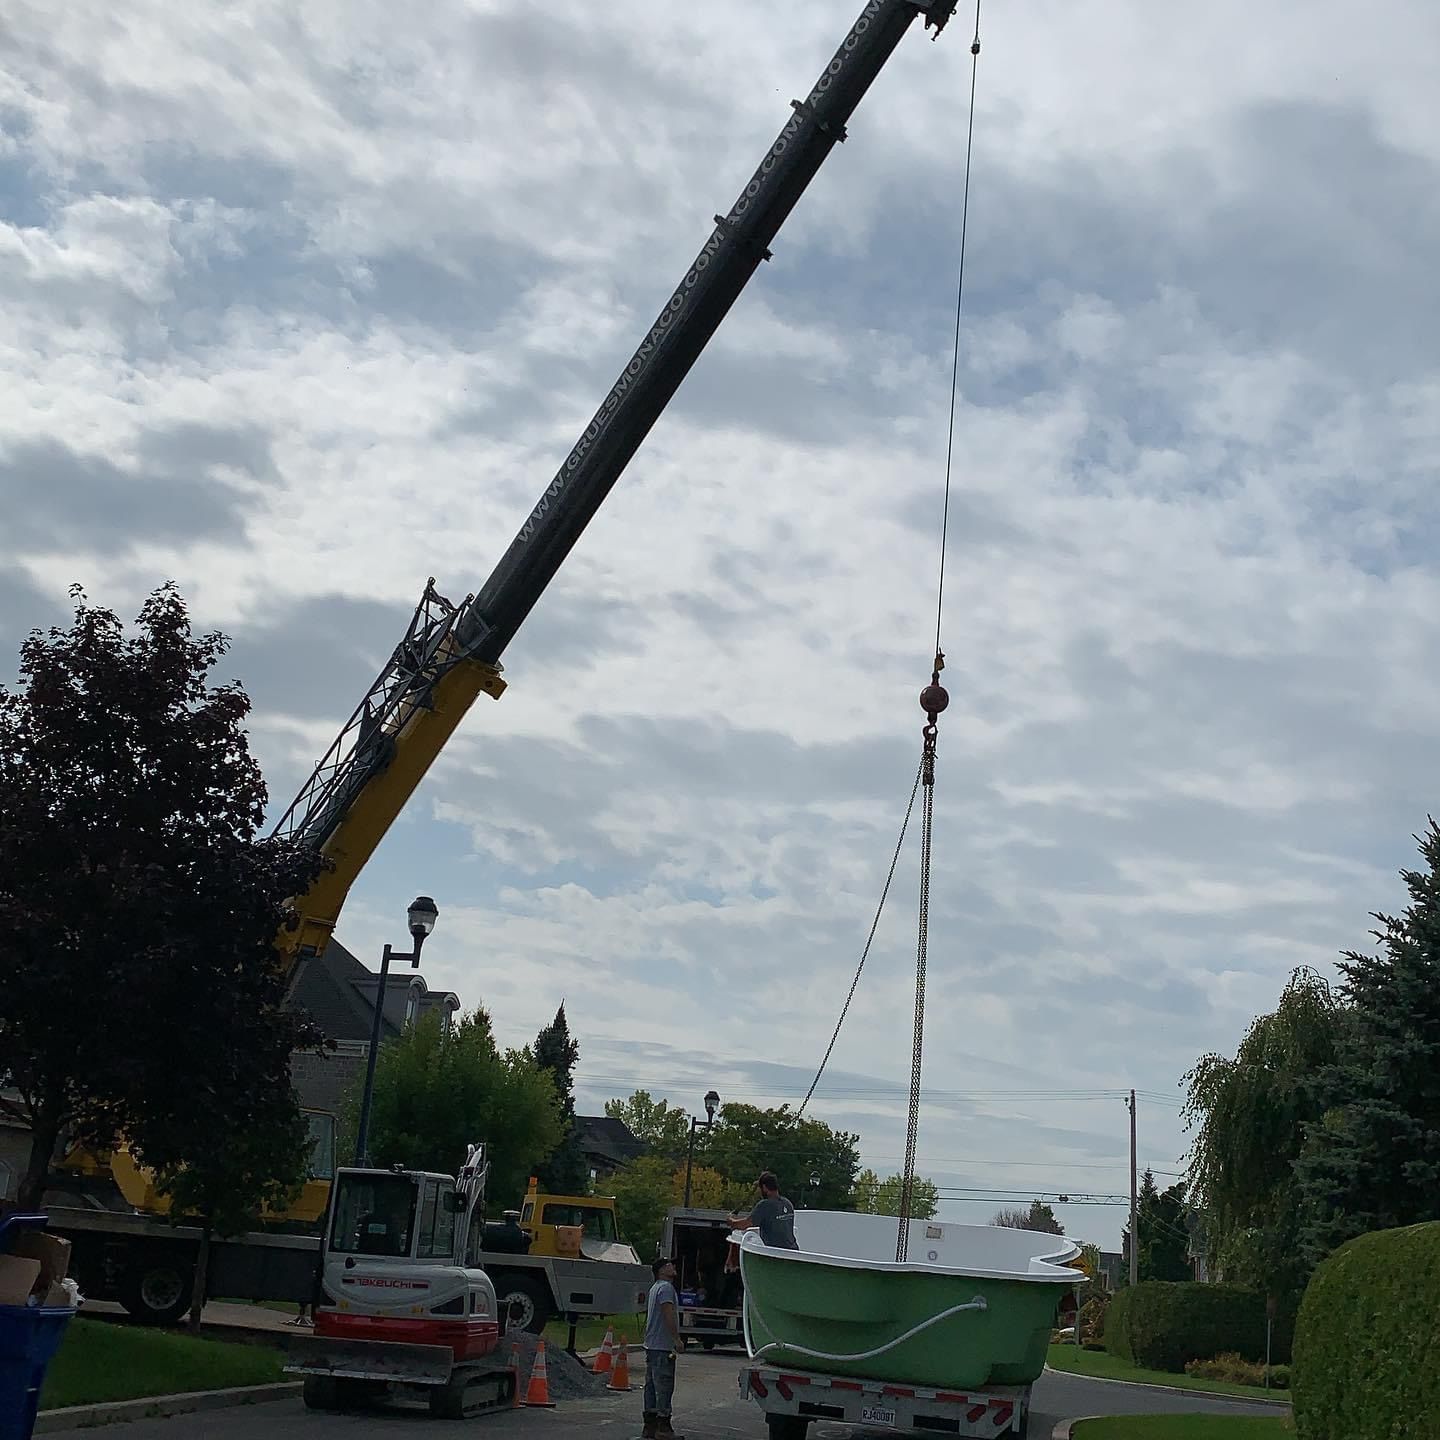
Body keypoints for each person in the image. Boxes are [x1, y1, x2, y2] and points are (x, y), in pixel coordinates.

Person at [643, 1256, 686, 1440]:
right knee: (664, 1386)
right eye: (669, 1265)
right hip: (662, 1345)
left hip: (651, 1344)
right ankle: (664, 1428)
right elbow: (668, 1313)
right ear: (661, 1270)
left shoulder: (655, 1288)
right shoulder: (666, 1288)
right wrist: (676, 1339)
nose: (673, 1267)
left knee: (651, 1386)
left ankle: (649, 1427)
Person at [728, 1171, 799, 1249]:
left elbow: (745, 1224)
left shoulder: (764, 1205)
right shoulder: (788, 1203)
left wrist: (731, 1222)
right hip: (793, 1250)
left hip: (776, 1253)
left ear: (764, 1187)